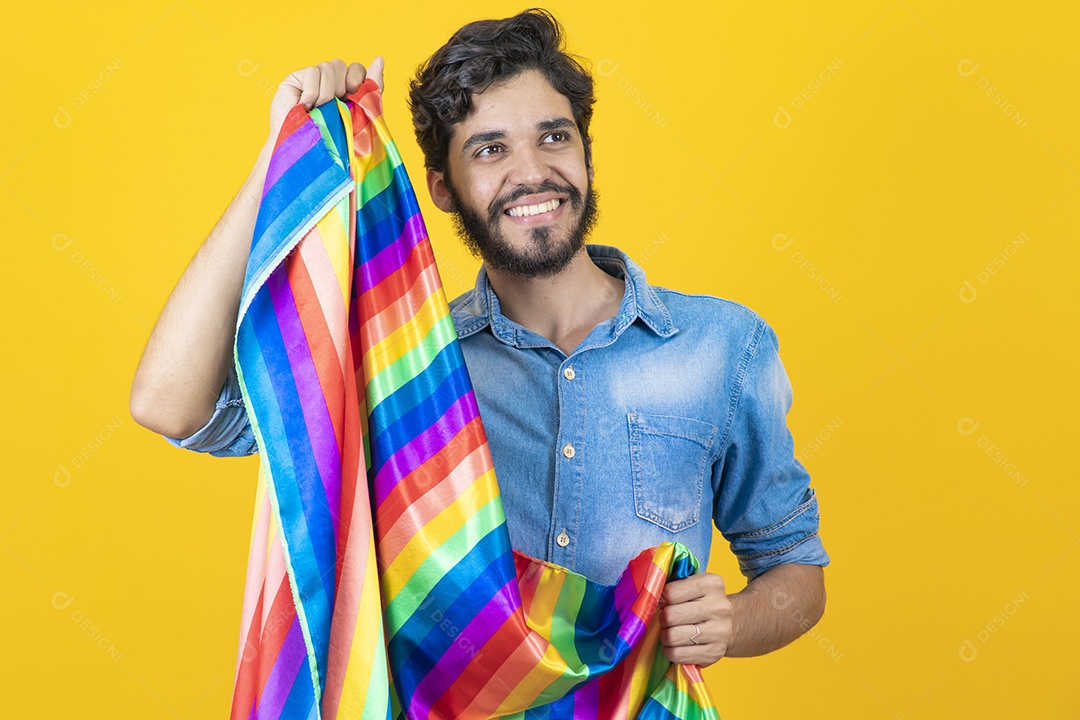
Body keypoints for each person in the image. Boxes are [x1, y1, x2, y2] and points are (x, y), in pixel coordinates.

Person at [130, 8, 829, 672]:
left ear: (586, 152)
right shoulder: (402, 371)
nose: (532, 172)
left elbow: (796, 572)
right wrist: (280, 158)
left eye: (553, 137)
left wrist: (733, 622)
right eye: (491, 150)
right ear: (442, 188)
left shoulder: (724, 347)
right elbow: (170, 404)